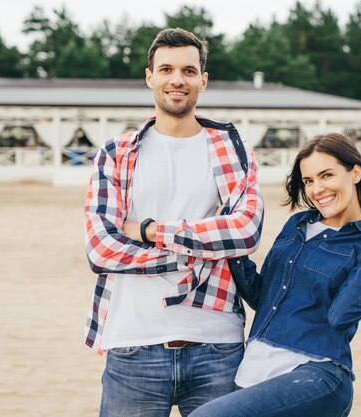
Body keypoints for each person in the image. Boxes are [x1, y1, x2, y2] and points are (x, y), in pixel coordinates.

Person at [83, 28, 264, 417]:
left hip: (218, 347)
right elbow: (101, 250)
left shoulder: (232, 149)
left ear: (203, 79)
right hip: (133, 344)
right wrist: (195, 255)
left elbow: (246, 231)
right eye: (166, 69)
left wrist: (149, 231)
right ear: (150, 77)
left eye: (188, 70)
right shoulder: (117, 154)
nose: (177, 79)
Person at [190, 133, 361, 417]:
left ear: (355, 172)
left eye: (326, 175)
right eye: (309, 181)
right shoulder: (297, 225)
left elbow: (341, 314)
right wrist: (230, 239)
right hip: (255, 371)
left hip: (317, 374)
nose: (317, 189)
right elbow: (264, 296)